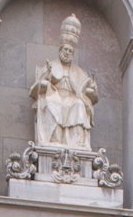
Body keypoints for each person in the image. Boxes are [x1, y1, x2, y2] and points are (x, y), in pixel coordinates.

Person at [31, 14, 98, 149]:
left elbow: (91, 93)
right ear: (60, 50)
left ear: (73, 54)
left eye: (70, 51)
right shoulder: (50, 66)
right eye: (65, 49)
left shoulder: (79, 72)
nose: (67, 53)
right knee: (52, 102)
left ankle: (77, 142)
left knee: (79, 104)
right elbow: (35, 89)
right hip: (54, 95)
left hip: (73, 99)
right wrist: (46, 79)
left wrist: (89, 89)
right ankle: (53, 138)